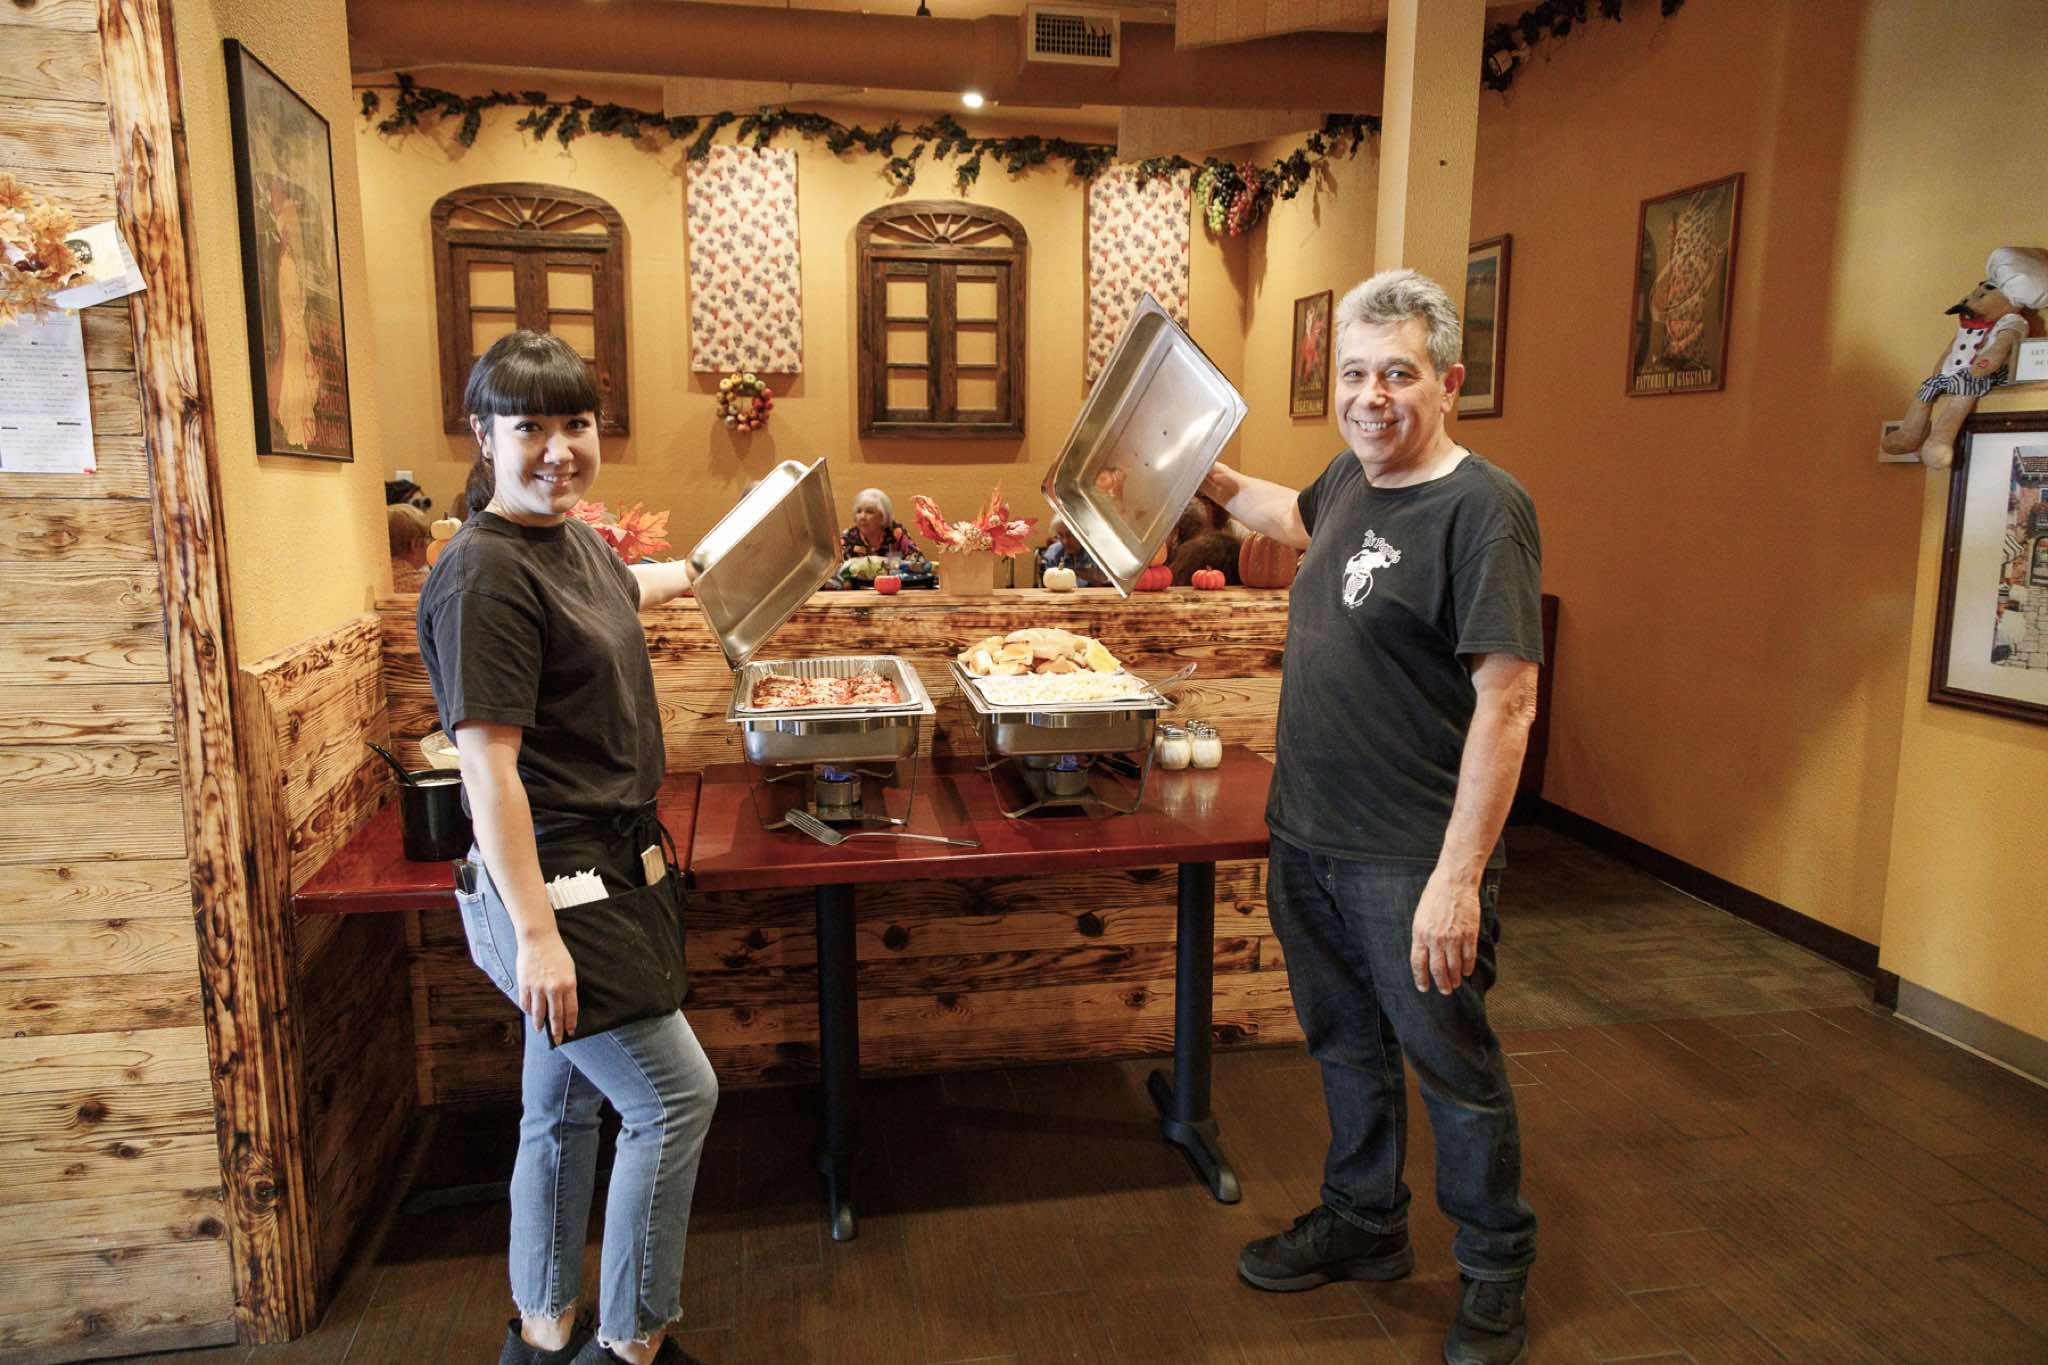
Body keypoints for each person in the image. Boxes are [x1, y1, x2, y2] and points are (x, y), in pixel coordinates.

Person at [1201, 268, 1543, 1365]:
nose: (1371, 397)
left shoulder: (1482, 509)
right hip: (1307, 834)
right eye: (1353, 374)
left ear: (1448, 382)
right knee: (1345, 1044)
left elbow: (1508, 700)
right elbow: (1287, 515)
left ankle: (1494, 1268)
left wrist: (1458, 877)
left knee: (1451, 1065)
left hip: (1410, 854)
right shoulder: (1351, 476)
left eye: (1397, 374)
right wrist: (1196, 470)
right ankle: (1364, 1221)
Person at [417, 331, 715, 1365]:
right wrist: (537, 936)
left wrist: (716, 565)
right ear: (484, 435)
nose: (558, 448)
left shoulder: (572, 543)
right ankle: (631, 1346)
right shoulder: (483, 574)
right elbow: (487, 770)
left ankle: (543, 1335)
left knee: (561, 1108)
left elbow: (628, 589)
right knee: (674, 1098)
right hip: (553, 880)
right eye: (530, 426)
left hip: (606, 864)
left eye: (576, 423)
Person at [840, 487, 919, 561]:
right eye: (858, 511)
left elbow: (917, 560)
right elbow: (838, 567)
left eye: (869, 512)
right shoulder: (848, 537)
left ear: (883, 515)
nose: (862, 517)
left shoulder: (896, 532)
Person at [1038, 518, 1110, 587]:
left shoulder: (1097, 553)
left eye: (1070, 535)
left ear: (1083, 533)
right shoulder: (1053, 553)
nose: (1065, 541)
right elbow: (1049, 583)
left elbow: (1107, 584)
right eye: (1060, 535)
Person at [387, 502, 430, 592]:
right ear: (415, 544)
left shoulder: (371, 578)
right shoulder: (429, 585)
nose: (430, 543)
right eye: (428, 537)